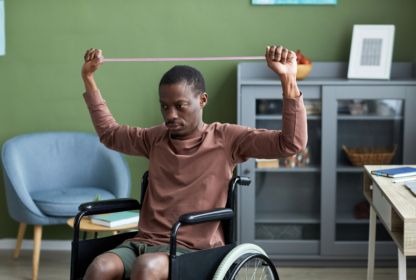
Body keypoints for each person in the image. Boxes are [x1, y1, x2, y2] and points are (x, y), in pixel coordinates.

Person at [81, 46, 307, 280]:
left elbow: (291, 144)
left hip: (192, 249)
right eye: (164, 106)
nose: (170, 115)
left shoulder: (226, 138)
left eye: (180, 106)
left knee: (146, 268)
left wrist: (288, 78)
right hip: (143, 243)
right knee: (100, 267)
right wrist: (88, 77)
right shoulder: (154, 138)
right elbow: (109, 134)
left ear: (202, 100)